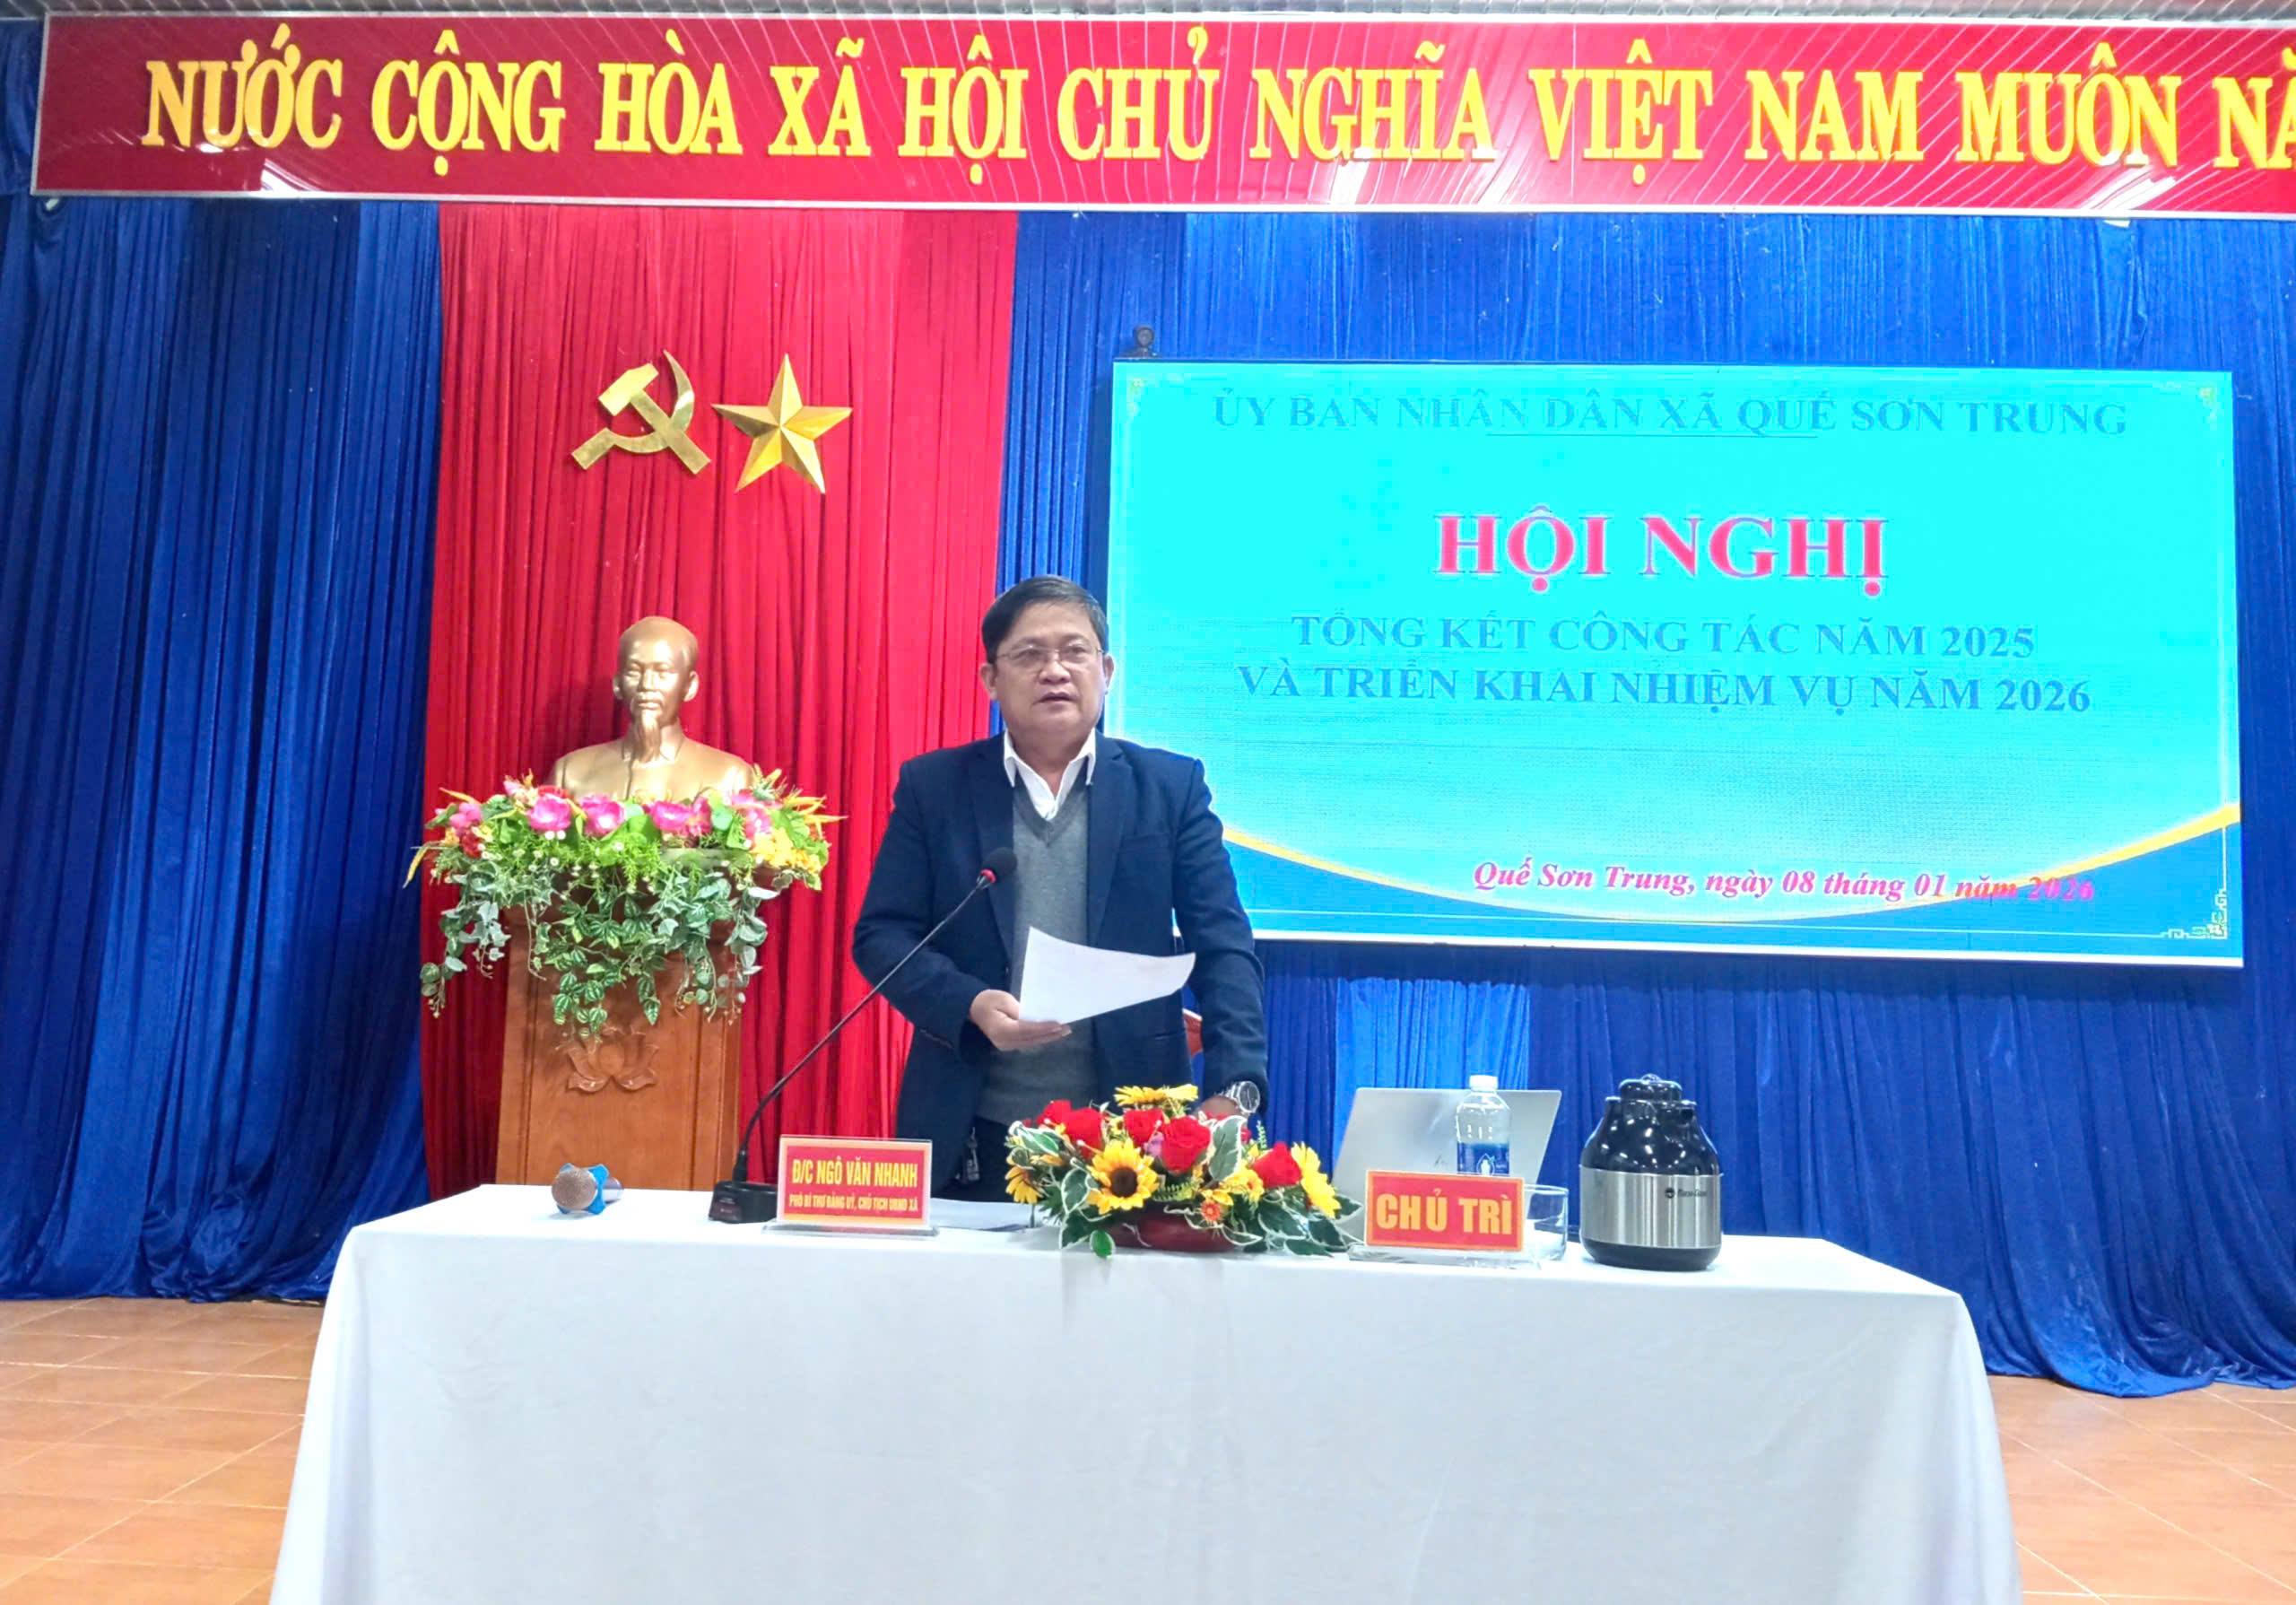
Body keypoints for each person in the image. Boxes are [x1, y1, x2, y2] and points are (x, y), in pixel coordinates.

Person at [853, 576, 1269, 1197]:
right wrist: (968, 1002)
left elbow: (1224, 944)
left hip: (1138, 1136)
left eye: (1075, 651)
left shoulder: (1168, 788)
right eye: (1029, 654)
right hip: (975, 1128)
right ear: (991, 679)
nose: (1054, 670)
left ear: (1107, 670)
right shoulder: (935, 788)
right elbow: (883, 935)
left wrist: (1235, 1087)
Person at [551, 616, 752, 802]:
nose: (646, 685)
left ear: (690, 686)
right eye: (634, 671)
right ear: (618, 684)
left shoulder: (731, 778)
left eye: (663, 671)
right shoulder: (570, 774)